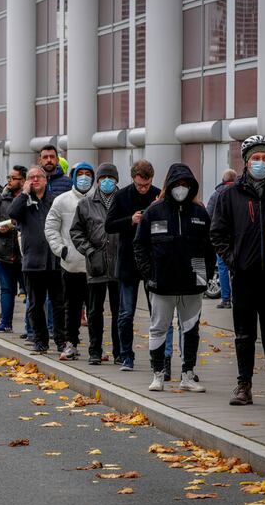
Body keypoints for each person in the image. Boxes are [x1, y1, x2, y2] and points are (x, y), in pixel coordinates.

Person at [211, 135, 265, 406]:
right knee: (244, 334)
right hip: (244, 276)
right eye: (255, 158)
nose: (260, 163)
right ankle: (244, 385)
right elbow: (218, 232)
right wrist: (234, 260)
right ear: (246, 162)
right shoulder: (231, 194)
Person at [134, 163, 214, 393]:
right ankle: (158, 374)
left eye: (185, 184)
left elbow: (209, 248)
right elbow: (140, 246)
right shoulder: (154, 211)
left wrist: (204, 276)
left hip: (192, 286)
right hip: (161, 284)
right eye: (177, 184)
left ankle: (188, 375)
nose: (181, 188)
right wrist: (149, 274)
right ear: (168, 185)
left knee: (191, 330)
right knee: (158, 329)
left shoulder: (200, 213)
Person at [105, 160, 161, 371]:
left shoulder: (158, 195)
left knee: (156, 313)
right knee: (126, 312)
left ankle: (159, 358)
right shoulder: (122, 196)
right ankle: (126, 355)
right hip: (128, 260)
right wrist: (131, 219)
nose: (143, 189)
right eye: (139, 185)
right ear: (133, 179)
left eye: (146, 185)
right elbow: (109, 225)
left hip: (151, 261)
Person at [9, 165, 66, 354]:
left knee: (58, 303)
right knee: (35, 304)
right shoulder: (24, 202)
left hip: (55, 261)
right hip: (33, 262)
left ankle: (60, 340)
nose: (35, 180)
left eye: (38, 177)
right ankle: (40, 340)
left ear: (45, 180)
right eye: (31, 177)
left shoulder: (55, 201)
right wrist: (24, 193)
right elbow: (12, 213)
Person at [70, 163, 121, 365]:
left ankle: (120, 352)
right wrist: (89, 250)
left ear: (116, 180)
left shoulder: (123, 201)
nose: (107, 182)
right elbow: (76, 231)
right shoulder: (86, 204)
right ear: (97, 181)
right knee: (94, 310)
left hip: (118, 263)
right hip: (96, 264)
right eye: (103, 178)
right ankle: (94, 350)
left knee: (120, 311)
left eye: (111, 178)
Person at [45, 162, 95, 361]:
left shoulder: (100, 201)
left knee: (95, 310)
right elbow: (50, 227)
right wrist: (61, 250)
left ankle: (96, 347)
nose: (84, 178)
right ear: (73, 177)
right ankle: (70, 343)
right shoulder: (61, 200)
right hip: (70, 264)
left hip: (95, 266)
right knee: (71, 308)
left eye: (88, 174)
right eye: (80, 174)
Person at [0, 165, 27, 334]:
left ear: (23, 181)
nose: (9, 181)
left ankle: (30, 328)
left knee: (29, 292)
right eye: (8, 178)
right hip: (3, 251)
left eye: (13, 178)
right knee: (6, 289)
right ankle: (5, 323)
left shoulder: (29, 198)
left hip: (25, 253)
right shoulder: (0, 197)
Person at [206, 168, 237, 309]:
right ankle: (237, 298)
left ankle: (226, 299)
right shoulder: (240, 193)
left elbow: (209, 216)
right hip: (238, 238)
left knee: (223, 267)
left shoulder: (216, 195)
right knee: (238, 267)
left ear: (223, 180)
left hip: (222, 239)